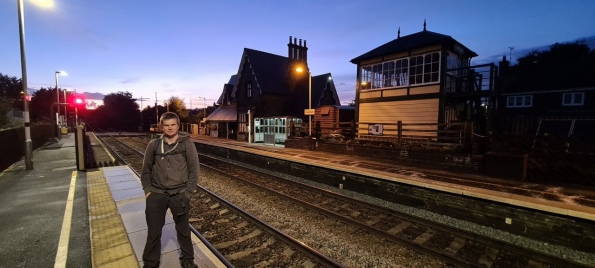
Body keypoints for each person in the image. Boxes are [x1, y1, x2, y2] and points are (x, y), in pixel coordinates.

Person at [141, 112, 199, 268]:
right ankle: (150, 263)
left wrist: (188, 193)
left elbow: (194, 170)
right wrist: (148, 191)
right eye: (166, 125)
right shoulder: (153, 145)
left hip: (179, 194)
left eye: (173, 124)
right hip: (156, 193)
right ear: (161, 126)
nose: (170, 128)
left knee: (183, 230)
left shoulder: (187, 144)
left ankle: (188, 260)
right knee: (153, 232)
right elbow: (145, 171)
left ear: (178, 126)